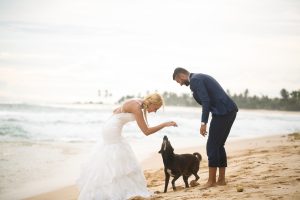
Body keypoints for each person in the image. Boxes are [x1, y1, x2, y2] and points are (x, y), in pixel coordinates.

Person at [77, 93, 177, 200]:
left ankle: (115, 188)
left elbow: (116, 110)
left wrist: (120, 120)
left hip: (110, 126)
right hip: (112, 129)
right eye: (156, 108)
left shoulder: (139, 103)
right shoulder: (137, 107)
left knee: (117, 156)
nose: (155, 111)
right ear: (151, 103)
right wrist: (164, 124)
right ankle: (112, 191)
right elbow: (146, 131)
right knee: (116, 154)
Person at [172, 67, 238, 188]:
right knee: (218, 145)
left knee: (212, 146)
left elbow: (206, 101)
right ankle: (221, 180)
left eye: (178, 81)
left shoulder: (195, 80)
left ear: (180, 76)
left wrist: (203, 123)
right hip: (227, 111)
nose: (180, 84)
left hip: (223, 113)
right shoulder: (198, 77)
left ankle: (211, 181)